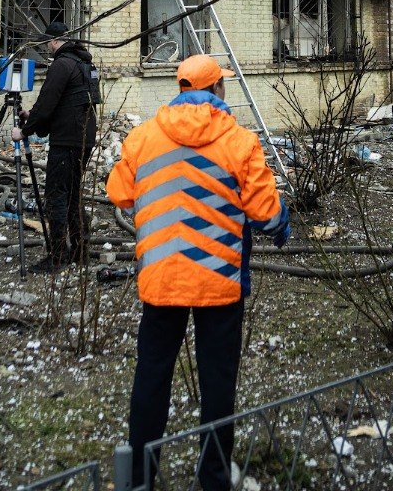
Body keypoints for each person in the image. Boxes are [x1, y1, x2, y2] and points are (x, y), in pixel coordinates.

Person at [106, 53, 290, 491]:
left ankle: (139, 477)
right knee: (217, 381)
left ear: (182, 88)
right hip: (218, 281)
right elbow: (265, 215)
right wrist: (282, 224)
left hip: (161, 280)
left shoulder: (142, 137)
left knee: (151, 376)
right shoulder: (239, 141)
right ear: (217, 90)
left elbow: (120, 194)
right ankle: (212, 477)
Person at [16, 19, 100, 271]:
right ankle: (80, 250)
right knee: (74, 194)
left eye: (48, 43)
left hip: (66, 140)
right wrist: (34, 116)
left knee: (57, 196)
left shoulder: (61, 65)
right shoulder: (84, 63)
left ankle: (57, 256)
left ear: (54, 41)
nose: (48, 48)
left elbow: (48, 100)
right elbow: (69, 103)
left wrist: (24, 132)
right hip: (84, 136)